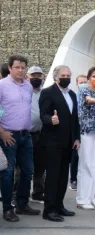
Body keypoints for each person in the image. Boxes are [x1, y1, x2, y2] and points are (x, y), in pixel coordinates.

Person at [0, 55, 40, 222]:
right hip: (8, 136)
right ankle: (8, 208)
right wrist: (1, 131)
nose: (21, 70)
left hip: (26, 135)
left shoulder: (28, 87)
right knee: (8, 173)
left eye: (23, 67)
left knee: (28, 171)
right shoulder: (2, 86)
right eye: (17, 67)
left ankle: (22, 204)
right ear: (10, 68)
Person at [39, 65, 80, 222]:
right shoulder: (47, 93)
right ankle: (49, 210)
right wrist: (51, 119)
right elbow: (43, 115)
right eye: (63, 75)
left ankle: (59, 206)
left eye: (68, 75)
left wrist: (76, 138)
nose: (66, 77)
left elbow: (75, 119)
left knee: (63, 176)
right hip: (52, 142)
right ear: (56, 77)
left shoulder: (72, 94)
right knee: (53, 176)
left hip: (68, 142)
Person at [76, 67, 95, 210]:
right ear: (88, 77)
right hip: (86, 131)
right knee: (85, 165)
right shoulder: (83, 90)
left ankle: (91, 196)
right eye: (94, 75)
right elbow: (88, 101)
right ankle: (82, 199)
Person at [27, 66, 45, 204]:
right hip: (26, 134)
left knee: (40, 165)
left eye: (39, 76)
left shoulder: (44, 93)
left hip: (41, 133)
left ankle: (38, 193)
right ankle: (19, 194)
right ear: (28, 76)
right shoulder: (24, 91)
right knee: (24, 167)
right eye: (34, 75)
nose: (36, 78)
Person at [69, 75, 88, 191]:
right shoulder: (73, 97)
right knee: (75, 156)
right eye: (81, 82)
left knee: (86, 157)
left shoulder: (91, 95)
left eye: (85, 82)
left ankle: (85, 179)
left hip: (88, 131)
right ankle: (73, 179)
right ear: (77, 84)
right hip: (76, 130)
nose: (83, 84)